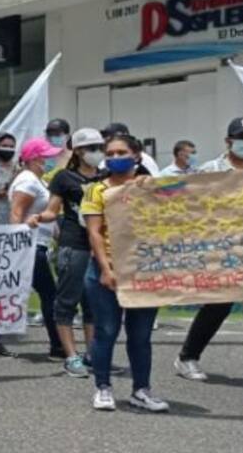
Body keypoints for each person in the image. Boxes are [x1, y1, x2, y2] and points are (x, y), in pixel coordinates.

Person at [172, 117, 243, 417]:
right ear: (229, 141)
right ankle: (187, 356)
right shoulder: (209, 171)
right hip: (221, 253)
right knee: (218, 306)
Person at [82, 133, 169, 412]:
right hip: (105, 272)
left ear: (137, 156)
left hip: (142, 271)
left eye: (121, 153)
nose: (115, 158)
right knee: (106, 331)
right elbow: (94, 233)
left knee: (141, 335)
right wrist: (106, 269)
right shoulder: (96, 191)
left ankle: (141, 389)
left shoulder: (150, 189)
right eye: (111, 153)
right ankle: (103, 387)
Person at [13, 137, 87, 372]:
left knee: (41, 293)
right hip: (31, 245)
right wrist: (20, 245)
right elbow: (16, 214)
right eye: (46, 156)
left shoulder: (36, 180)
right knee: (50, 294)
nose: (50, 160)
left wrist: (58, 236)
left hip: (41, 243)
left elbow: (50, 215)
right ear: (35, 158)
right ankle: (57, 345)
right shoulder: (26, 181)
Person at [35, 127, 102, 370]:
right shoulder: (64, 178)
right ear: (79, 151)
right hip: (73, 244)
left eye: (100, 147)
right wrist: (38, 218)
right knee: (67, 301)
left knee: (93, 303)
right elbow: (53, 210)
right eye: (92, 148)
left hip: (100, 247)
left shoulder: (104, 177)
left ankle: (93, 354)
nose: (97, 153)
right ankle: (71, 355)